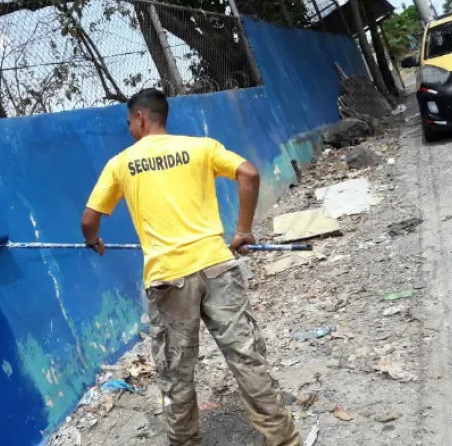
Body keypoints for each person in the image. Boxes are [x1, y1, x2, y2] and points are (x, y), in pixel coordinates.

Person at [80, 88, 300, 446]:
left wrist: (94, 242)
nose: (129, 129)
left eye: (129, 123)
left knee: (176, 374)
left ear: (139, 119)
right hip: (217, 266)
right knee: (246, 358)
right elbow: (248, 173)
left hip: (168, 279)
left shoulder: (121, 163)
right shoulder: (202, 147)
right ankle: (284, 439)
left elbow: (89, 220)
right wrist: (242, 230)